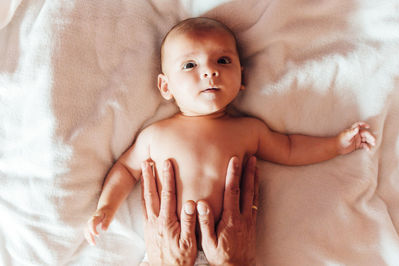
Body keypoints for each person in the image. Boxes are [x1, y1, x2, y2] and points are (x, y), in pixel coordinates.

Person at [84, 17, 376, 262]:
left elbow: (289, 148)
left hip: (228, 252)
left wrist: (337, 144)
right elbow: (125, 170)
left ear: (241, 77)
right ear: (165, 85)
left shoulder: (249, 130)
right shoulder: (155, 135)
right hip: (165, 251)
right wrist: (106, 208)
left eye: (223, 60)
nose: (210, 71)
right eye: (190, 65)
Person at [139, 156, 258, 265]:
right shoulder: (151, 136)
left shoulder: (249, 134)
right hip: (166, 250)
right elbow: (125, 169)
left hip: (164, 253)